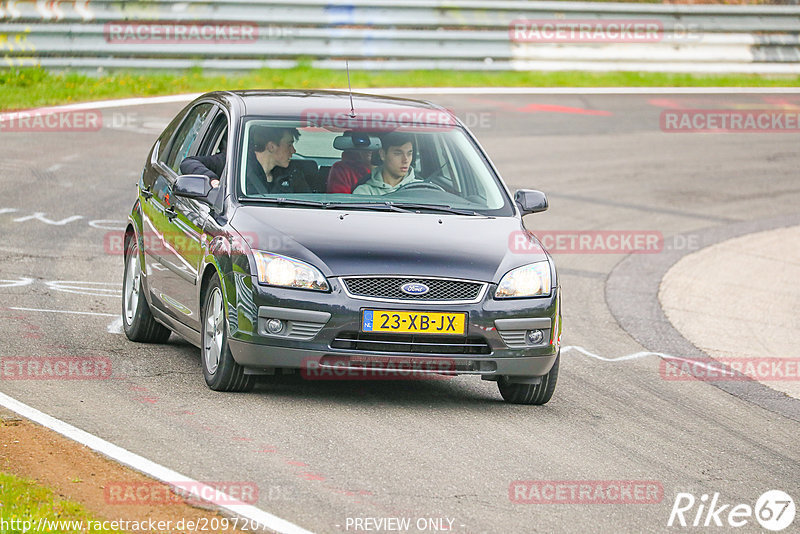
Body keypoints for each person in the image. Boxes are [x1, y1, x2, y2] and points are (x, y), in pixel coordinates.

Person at [180, 125, 310, 194]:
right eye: (289, 144)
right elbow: (188, 163)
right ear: (271, 146)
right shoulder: (234, 163)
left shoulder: (293, 174)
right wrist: (213, 181)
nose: (294, 150)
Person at [352, 132, 421, 196]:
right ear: (382, 154)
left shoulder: (421, 189)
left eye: (409, 153)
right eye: (398, 153)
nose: (405, 160)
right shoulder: (364, 192)